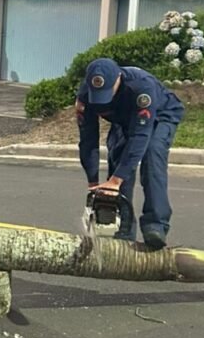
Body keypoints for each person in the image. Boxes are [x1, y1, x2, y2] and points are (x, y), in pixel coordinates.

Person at [76, 57, 184, 249]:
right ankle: (123, 229)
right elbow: (88, 140)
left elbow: (140, 136)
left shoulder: (141, 87)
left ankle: (155, 225)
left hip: (160, 115)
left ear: (118, 78)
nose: (102, 99)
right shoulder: (85, 95)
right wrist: (93, 182)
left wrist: (115, 181)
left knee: (152, 155)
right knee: (118, 157)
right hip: (124, 119)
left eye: (107, 92)